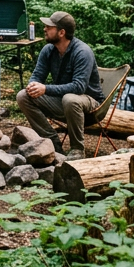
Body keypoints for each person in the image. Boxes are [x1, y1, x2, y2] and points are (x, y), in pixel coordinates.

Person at [16, 10, 103, 161]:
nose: (44, 29)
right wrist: (32, 86)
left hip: (90, 103)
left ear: (61, 32)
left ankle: (77, 149)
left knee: (70, 99)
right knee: (23, 95)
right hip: (62, 101)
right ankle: (52, 143)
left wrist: (46, 88)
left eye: (49, 27)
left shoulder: (82, 52)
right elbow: (37, 75)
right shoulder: (48, 50)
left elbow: (78, 87)